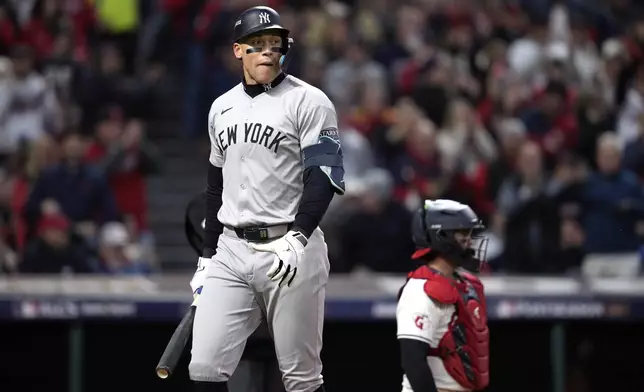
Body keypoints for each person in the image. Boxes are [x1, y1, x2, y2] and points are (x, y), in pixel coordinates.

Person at [189, 6, 344, 392]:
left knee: (301, 379)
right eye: (257, 44)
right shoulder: (220, 107)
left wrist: (299, 236)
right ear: (238, 50)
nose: (267, 52)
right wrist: (207, 257)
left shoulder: (310, 101)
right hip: (231, 248)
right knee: (204, 368)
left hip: (290, 246)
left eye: (274, 44)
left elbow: (324, 176)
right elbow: (214, 186)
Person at [185, 191, 283, 392]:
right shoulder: (204, 205)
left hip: (277, 320)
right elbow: (213, 245)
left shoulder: (274, 197)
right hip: (237, 327)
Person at [397, 199, 490, 392]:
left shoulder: (467, 284)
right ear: (441, 236)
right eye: (463, 234)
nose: (470, 242)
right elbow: (413, 361)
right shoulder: (420, 289)